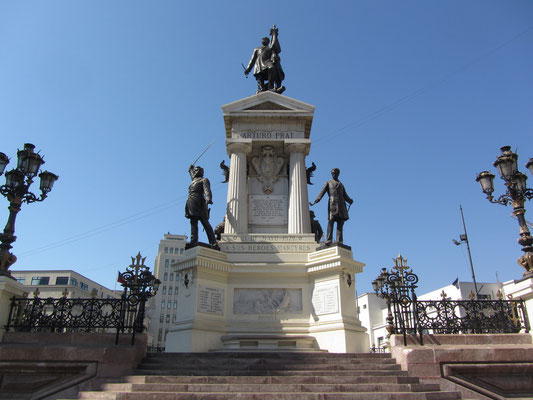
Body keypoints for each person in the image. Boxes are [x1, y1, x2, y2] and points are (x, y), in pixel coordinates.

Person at [310, 168, 353, 245]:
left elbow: (345, 195)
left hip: (341, 205)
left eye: (335, 173)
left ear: (338, 174)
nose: (333, 174)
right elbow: (322, 192)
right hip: (332, 204)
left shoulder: (341, 184)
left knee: (340, 223)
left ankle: (339, 241)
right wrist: (317, 199)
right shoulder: (328, 183)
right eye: (332, 173)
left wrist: (350, 200)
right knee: (331, 221)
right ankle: (329, 239)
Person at [244, 25, 285, 94]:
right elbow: (252, 60)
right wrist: (248, 69)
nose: (265, 40)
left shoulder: (270, 48)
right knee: (260, 77)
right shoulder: (257, 49)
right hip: (259, 64)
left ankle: (270, 87)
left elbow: (276, 49)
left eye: (266, 39)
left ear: (268, 41)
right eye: (263, 39)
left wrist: (274, 35)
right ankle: (262, 88)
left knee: (271, 68)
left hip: (267, 62)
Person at [185, 165, 217, 246]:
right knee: (193, 222)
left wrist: (208, 198)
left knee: (204, 222)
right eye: (195, 170)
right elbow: (192, 175)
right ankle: (193, 240)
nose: (196, 172)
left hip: (200, 202)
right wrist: (190, 169)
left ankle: (213, 241)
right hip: (191, 201)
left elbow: (207, 190)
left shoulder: (204, 180)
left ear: (202, 172)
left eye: (198, 170)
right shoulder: (194, 180)